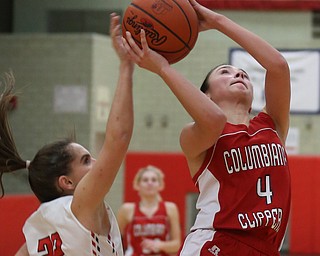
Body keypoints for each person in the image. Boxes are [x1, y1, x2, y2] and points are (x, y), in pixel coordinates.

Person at [122, 0, 291, 255]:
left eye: (243, 73)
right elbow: (213, 119)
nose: (239, 75)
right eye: (225, 72)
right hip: (216, 243)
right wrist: (162, 68)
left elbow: (278, 66)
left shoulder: (271, 125)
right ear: (207, 95)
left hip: (265, 247)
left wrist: (217, 21)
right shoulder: (195, 135)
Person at [0, 13, 134, 256]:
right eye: (85, 160)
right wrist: (126, 67)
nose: (96, 161)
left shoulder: (43, 219)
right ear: (67, 182)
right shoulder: (82, 203)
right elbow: (119, 139)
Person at [117, 165, 181, 256]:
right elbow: (115, 238)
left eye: (154, 180)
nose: (150, 183)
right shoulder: (127, 209)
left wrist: (159, 245)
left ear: (160, 185)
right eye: (145, 180)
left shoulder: (170, 208)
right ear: (137, 185)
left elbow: (177, 244)